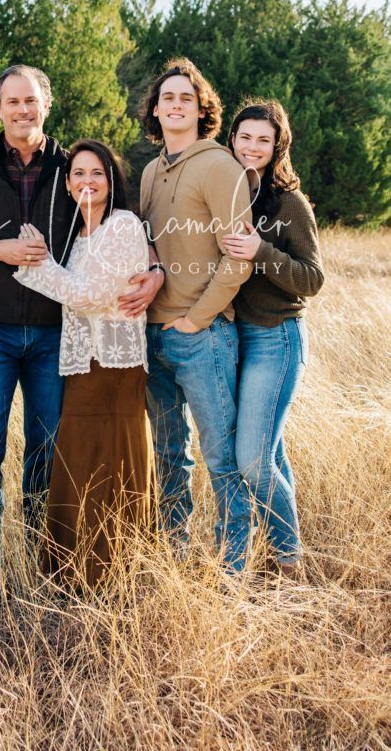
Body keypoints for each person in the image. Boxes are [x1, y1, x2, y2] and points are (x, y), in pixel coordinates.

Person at [0, 65, 76, 588]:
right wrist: (1, 250)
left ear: (46, 104)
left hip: (55, 333)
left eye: (31, 101)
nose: (22, 110)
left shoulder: (77, 169)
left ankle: (40, 568)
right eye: (13, 102)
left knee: (47, 451)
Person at [15, 140, 154, 587]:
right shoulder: (79, 236)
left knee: (115, 464)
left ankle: (117, 571)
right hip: (81, 365)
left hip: (116, 366)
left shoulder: (123, 225)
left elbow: (90, 296)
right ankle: (71, 574)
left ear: (111, 181)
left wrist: (40, 265)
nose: (87, 181)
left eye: (96, 173)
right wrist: (50, 262)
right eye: (78, 174)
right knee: (78, 462)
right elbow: (79, 292)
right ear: (69, 184)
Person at [139, 57, 253, 572]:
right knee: (167, 454)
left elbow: (239, 257)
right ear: (156, 111)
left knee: (222, 457)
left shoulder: (219, 165)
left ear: (201, 108)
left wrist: (196, 319)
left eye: (187, 97)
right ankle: (174, 552)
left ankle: (233, 564)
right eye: (168, 98)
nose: (176, 104)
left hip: (201, 336)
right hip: (151, 336)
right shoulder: (149, 171)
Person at [223, 100, 324, 576]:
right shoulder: (229, 193)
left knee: (253, 461)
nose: (252, 147)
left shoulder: (289, 203)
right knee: (272, 455)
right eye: (245, 137)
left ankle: (289, 561)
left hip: (277, 339)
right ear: (233, 139)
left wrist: (260, 250)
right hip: (237, 340)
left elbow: (313, 278)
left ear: (277, 145)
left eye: (263, 139)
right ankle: (283, 551)